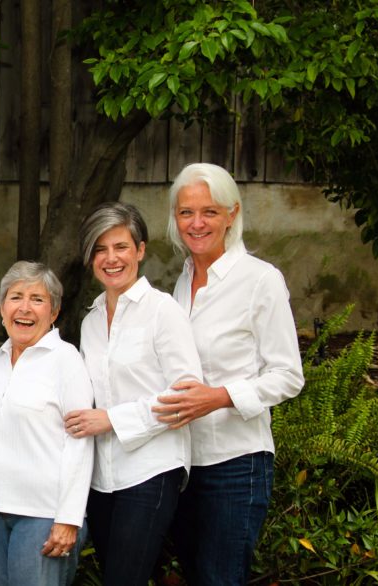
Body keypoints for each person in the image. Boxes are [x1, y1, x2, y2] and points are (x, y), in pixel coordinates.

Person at [152, 163, 305, 585]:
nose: (197, 223)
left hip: (236, 464)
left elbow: (288, 375)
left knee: (221, 578)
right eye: (186, 213)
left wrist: (218, 397)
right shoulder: (182, 280)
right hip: (183, 463)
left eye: (210, 212)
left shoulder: (261, 281)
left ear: (232, 214)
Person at [63, 202, 202, 585]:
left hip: (151, 468)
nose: (111, 258)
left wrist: (112, 419)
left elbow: (186, 394)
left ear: (140, 250)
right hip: (102, 477)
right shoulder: (91, 320)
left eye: (121, 247)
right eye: (100, 249)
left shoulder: (163, 311)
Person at [0, 261, 94, 586]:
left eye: (37, 299)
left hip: (42, 513)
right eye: (16, 297)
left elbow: (80, 441)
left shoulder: (67, 360)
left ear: (53, 312)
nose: (25, 308)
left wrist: (68, 517)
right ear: (1, 308)